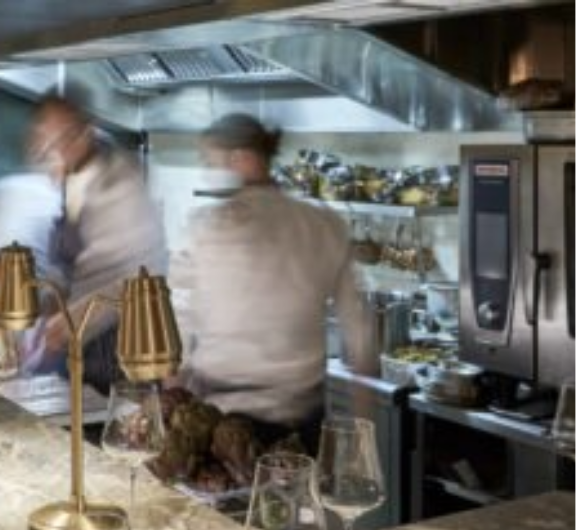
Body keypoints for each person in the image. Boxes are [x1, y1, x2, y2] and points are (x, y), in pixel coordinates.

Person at [169, 113, 377, 451]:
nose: (207, 170)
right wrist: (364, 438)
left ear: (242, 158)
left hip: (219, 426)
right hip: (303, 422)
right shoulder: (325, 224)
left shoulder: (205, 228)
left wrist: (171, 410)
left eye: (210, 161)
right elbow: (362, 341)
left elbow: (176, 331)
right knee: (300, 503)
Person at [27, 91, 167, 392]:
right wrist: (50, 303)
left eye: (59, 141)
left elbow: (134, 280)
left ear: (85, 132)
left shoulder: (123, 182)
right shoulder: (73, 176)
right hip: (81, 347)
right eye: (46, 141)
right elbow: (68, 262)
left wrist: (68, 324)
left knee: (115, 432)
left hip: (125, 347)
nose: (53, 151)